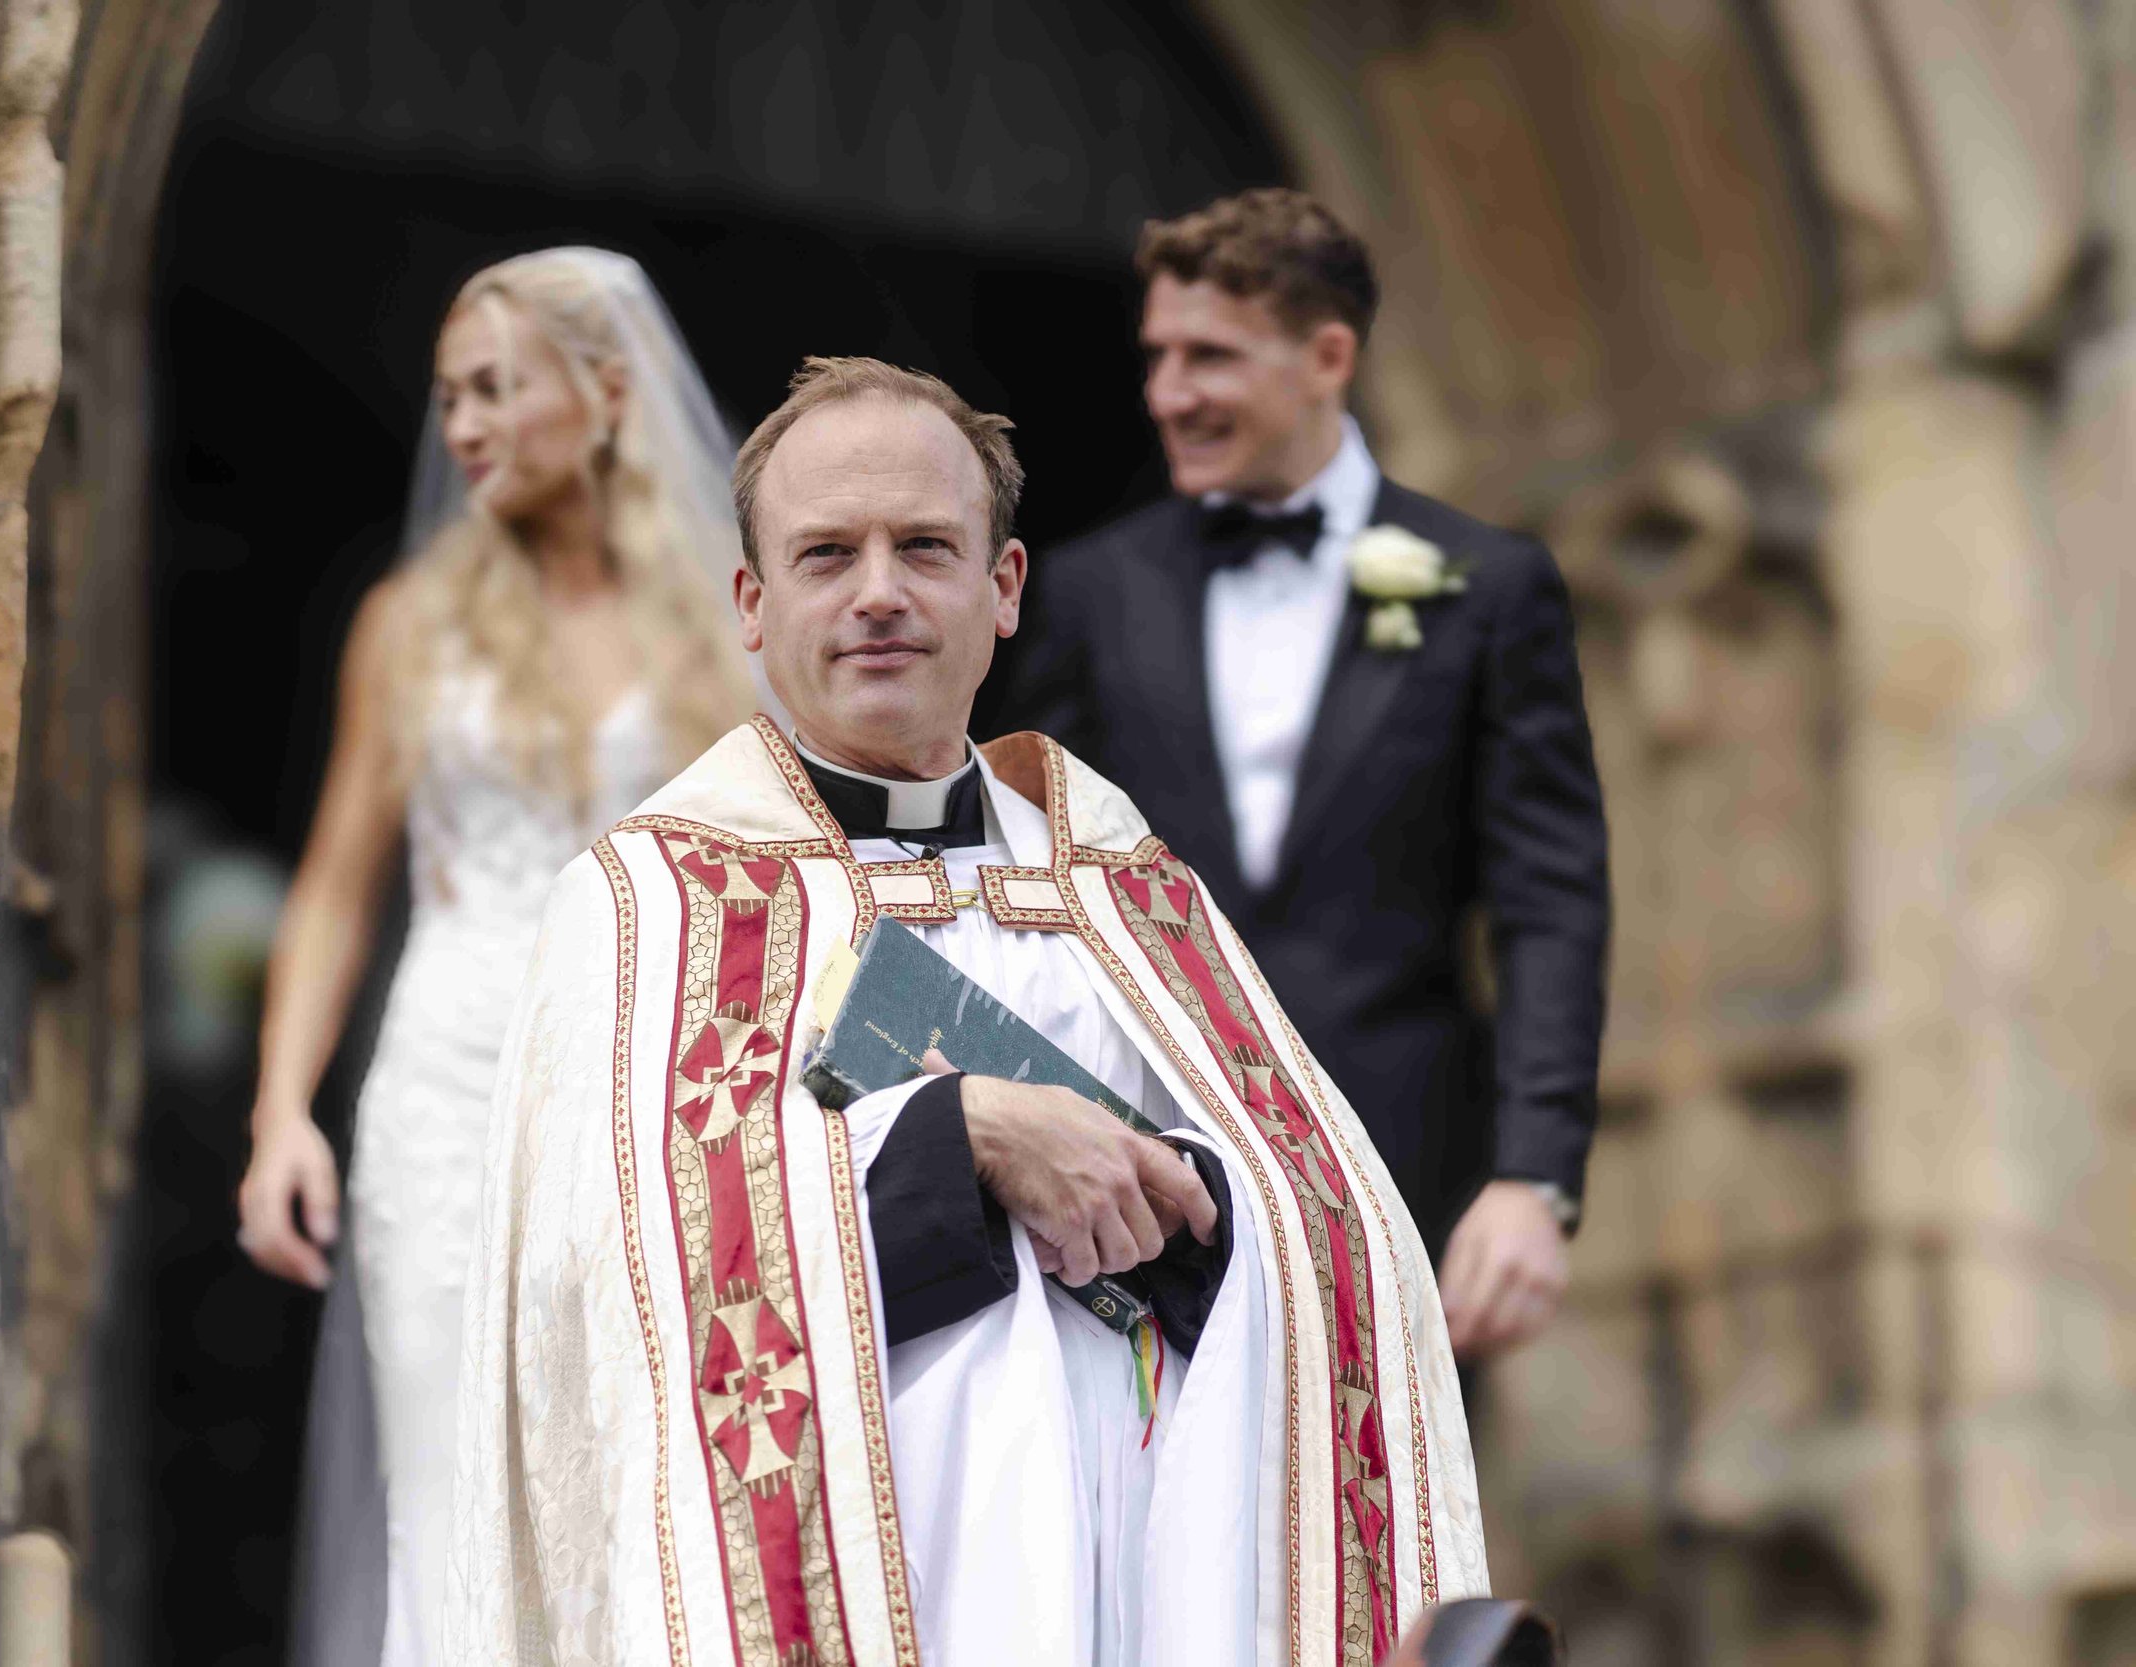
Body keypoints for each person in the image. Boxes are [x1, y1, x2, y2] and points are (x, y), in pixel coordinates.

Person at [446, 357, 1486, 1666]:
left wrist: (1188, 1192)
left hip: (1156, 1557)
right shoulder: (654, 900)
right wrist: (959, 1133)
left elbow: (1330, 1224)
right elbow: (605, 1294)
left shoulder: (1127, 883)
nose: (879, 591)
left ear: (1003, 590)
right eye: (828, 553)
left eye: (925, 547)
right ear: (753, 607)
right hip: (880, 1565)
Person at [232, 247, 757, 1667]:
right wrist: (284, 1112)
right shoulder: (411, 621)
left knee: (638, 1485)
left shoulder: (720, 621)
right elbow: (337, 889)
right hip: (448, 1090)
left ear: (603, 393)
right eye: (449, 396)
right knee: (453, 1487)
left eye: (494, 389)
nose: (460, 427)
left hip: (648, 1090)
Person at [1001, 190, 1611, 1361]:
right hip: (1139, 1161)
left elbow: (1549, 900)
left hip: (1400, 1168)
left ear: (1327, 356)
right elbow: (1030, 872)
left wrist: (1535, 1176)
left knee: (1393, 1535)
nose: (1167, 391)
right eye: (1159, 356)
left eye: (1209, 356)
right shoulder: (1088, 593)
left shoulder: (1483, 586)